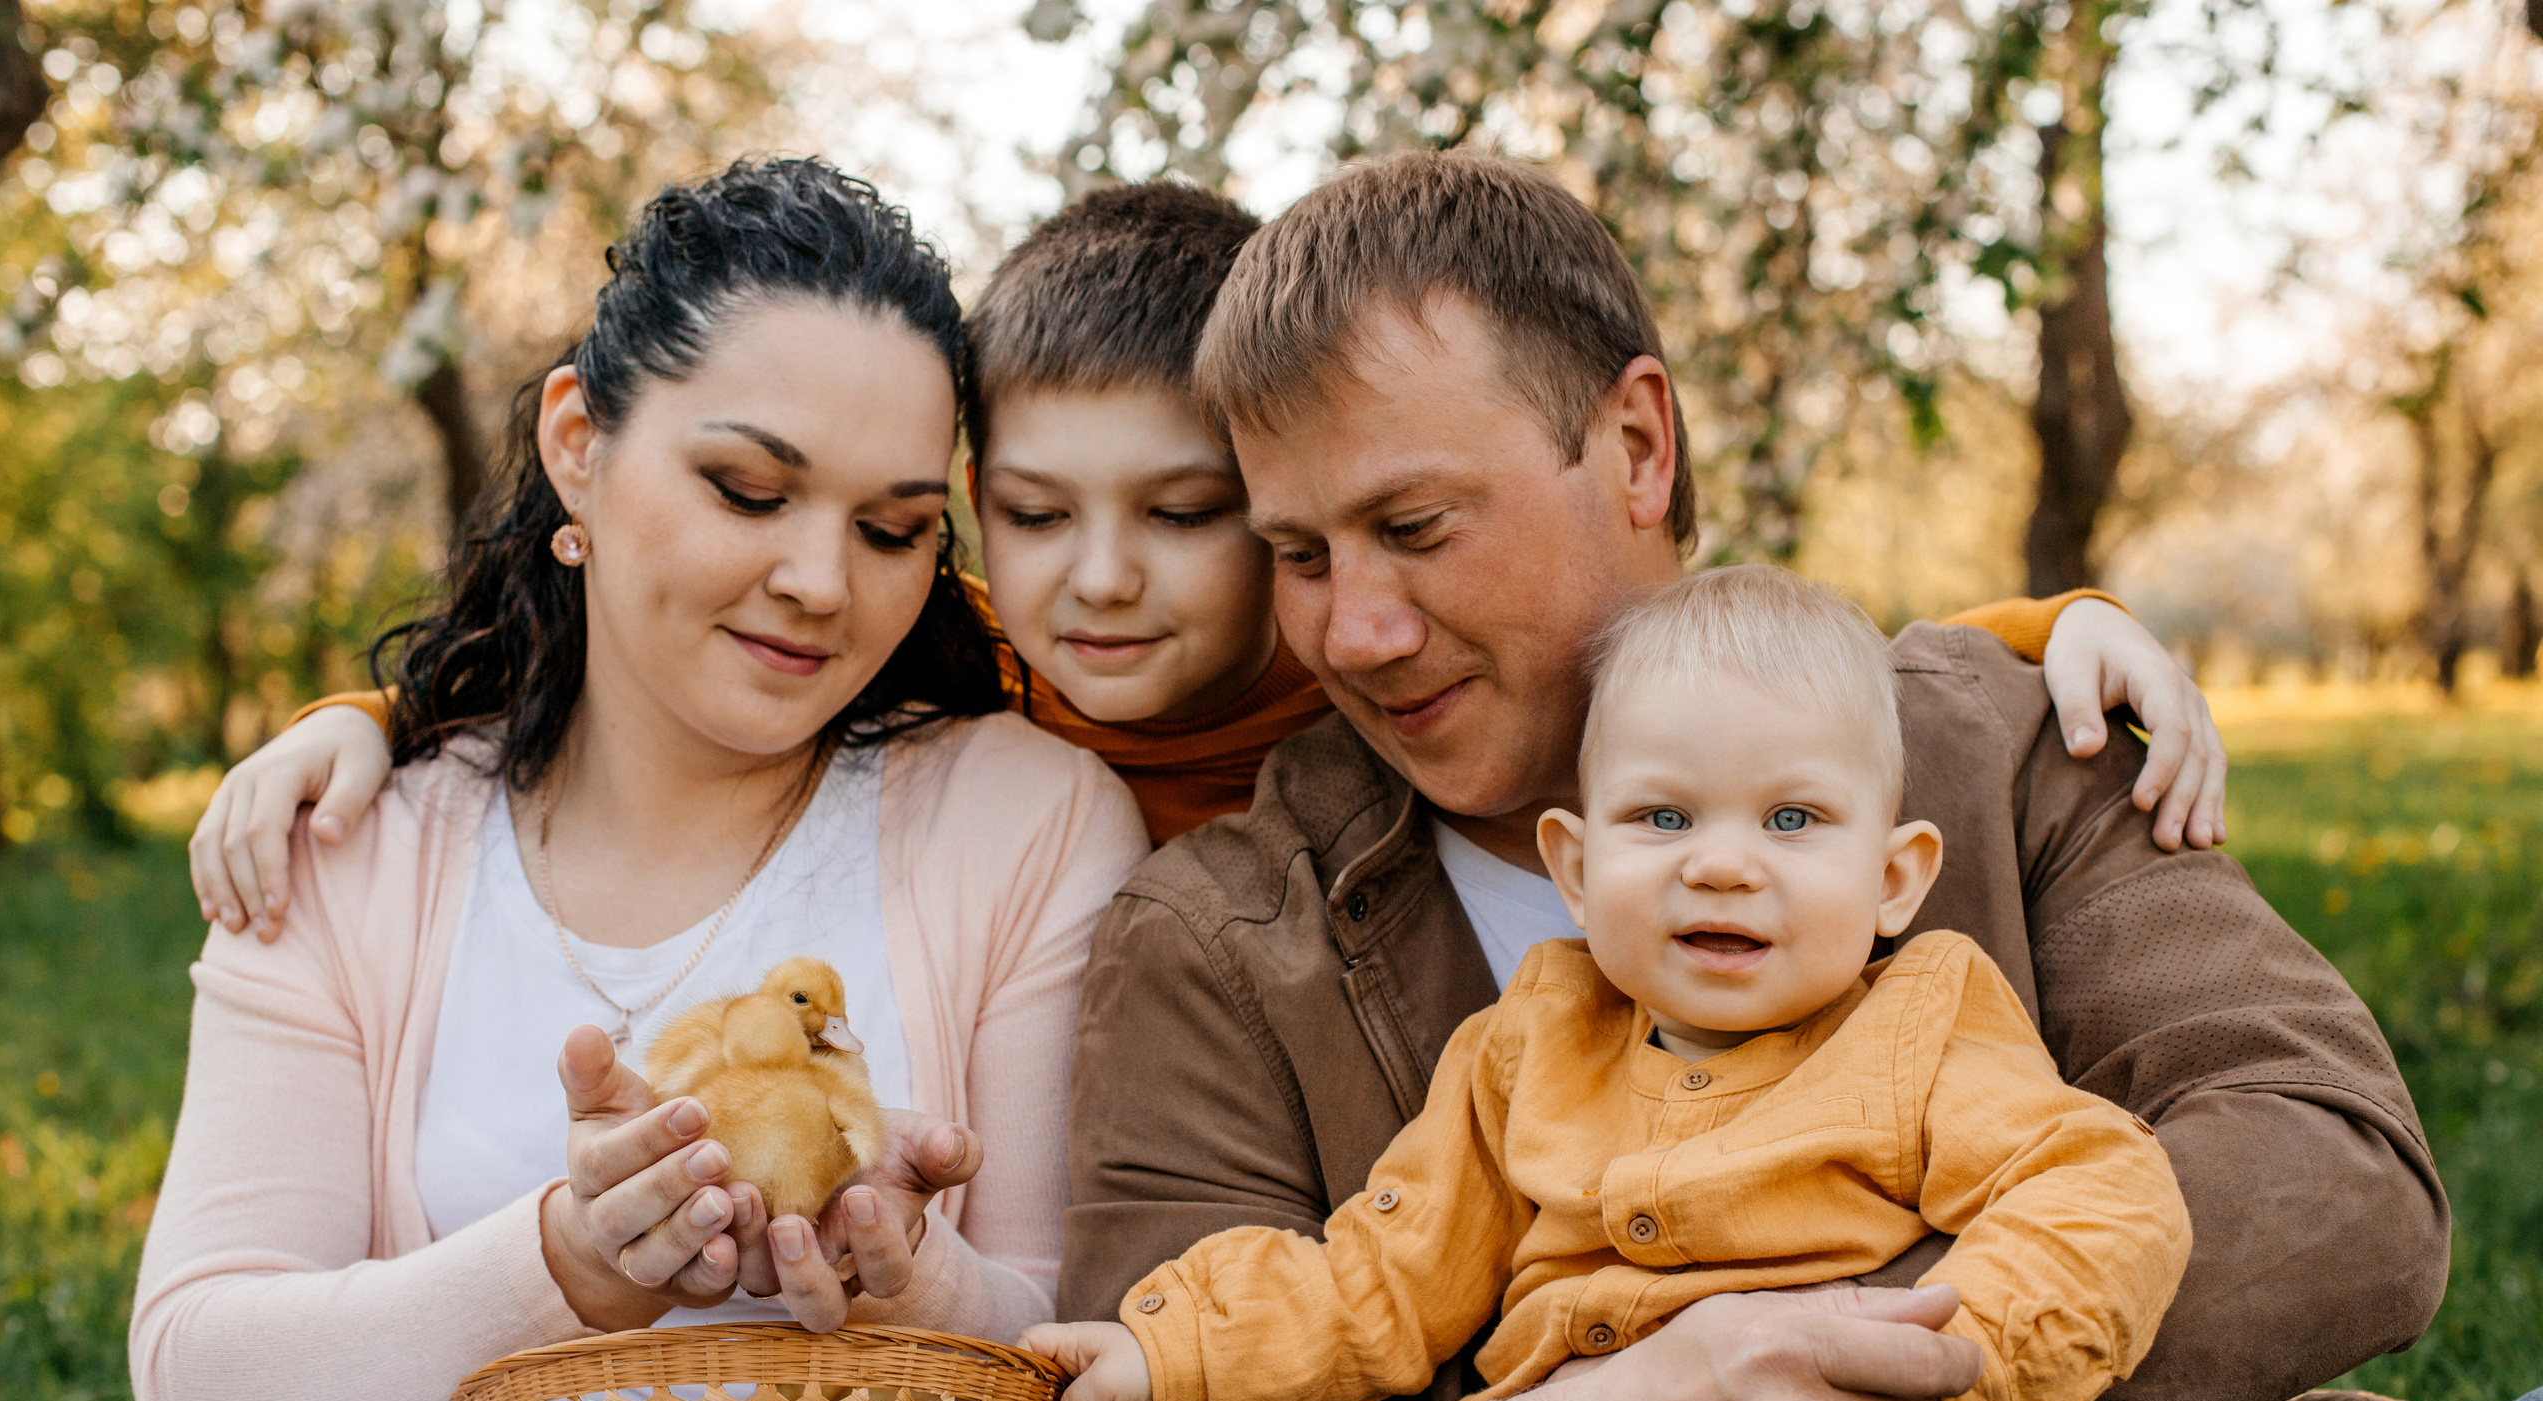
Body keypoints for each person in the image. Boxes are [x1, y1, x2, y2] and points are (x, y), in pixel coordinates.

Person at [1057, 150, 2529, 1401]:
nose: (1352, 628)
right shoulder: (1221, 948)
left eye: (1416, 526)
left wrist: (1838, 1392)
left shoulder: (1981, 741)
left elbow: (2329, 1168)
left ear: (1638, 444)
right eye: (1298, 556)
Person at [0, 160, 1147, 1401]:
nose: (821, 581)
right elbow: (202, 1388)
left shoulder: (1020, 819)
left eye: (892, 528)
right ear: (577, 447)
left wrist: (907, 1264)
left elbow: (1076, 1345)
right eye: (750, 491)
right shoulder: (355, 840)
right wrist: (563, 1262)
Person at [187, 186, 2220, 924]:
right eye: (1028, 515)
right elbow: (651, 660)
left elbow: (1722, 668)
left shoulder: (1373, 683)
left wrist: (2046, 624)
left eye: (1188, 519)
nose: (1099, 583)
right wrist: (369, 721)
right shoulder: (963, 668)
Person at [1025, 565, 2204, 1401]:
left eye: (1793, 819)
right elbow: (1380, 1276)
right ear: (1577, 870)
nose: (1723, 865)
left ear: (1893, 878)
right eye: (1663, 816)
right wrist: (1167, 1354)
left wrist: (1928, 1379)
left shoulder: (1919, 1021)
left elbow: (2094, 1190)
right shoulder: (1528, 1048)